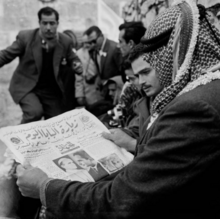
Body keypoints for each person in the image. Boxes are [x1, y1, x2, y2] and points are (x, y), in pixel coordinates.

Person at [12, 1, 220, 218]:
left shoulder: (194, 106)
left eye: (155, 59)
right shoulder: (204, 93)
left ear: (174, 52)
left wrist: (45, 186)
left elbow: (121, 200)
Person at [0, 7, 83, 124]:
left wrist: (77, 65)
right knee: (34, 112)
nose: (48, 27)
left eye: (52, 23)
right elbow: (6, 55)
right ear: (39, 23)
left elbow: (73, 58)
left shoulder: (65, 41)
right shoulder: (26, 37)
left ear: (57, 24)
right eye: (44, 23)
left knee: (56, 123)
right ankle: (19, 139)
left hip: (51, 91)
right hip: (27, 87)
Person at [75, 34, 104, 107]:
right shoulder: (79, 54)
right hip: (88, 92)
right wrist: (79, 95)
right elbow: (78, 77)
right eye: (84, 43)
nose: (86, 45)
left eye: (88, 42)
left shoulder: (100, 51)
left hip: (102, 91)